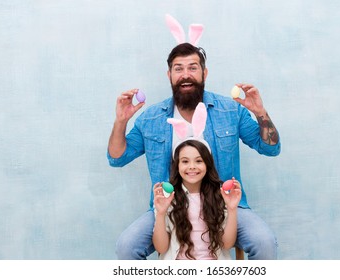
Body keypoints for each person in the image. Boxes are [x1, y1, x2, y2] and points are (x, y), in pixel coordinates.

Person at [107, 42, 280, 260]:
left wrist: (260, 112)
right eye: (178, 69)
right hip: (169, 208)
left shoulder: (230, 110)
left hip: (224, 205)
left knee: (264, 242)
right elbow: (117, 158)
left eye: (193, 67)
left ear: (204, 73)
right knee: (126, 246)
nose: (185, 75)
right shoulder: (151, 118)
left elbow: (270, 148)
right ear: (169, 74)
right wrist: (121, 121)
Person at [153, 139, 241, 260]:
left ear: (207, 164)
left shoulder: (219, 196)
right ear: (177, 165)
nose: (192, 167)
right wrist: (161, 213)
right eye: (185, 161)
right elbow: (161, 248)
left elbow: (227, 244)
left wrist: (232, 209)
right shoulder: (168, 198)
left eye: (199, 161)